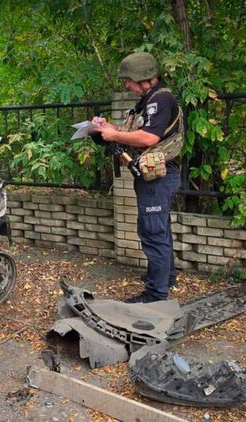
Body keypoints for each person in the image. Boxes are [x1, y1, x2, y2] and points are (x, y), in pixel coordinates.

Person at [90, 52, 182, 303]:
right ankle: (166, 277)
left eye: (128, 80)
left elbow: (149, 138)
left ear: (143, 77)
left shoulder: (161, 100)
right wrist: (106, 128)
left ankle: (155, 295)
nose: (126, 85)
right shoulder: (148, 101)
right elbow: (132, 132)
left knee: (153, 232)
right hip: (153, 177)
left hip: (159, 177)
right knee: (159, 228)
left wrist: (114, 135)